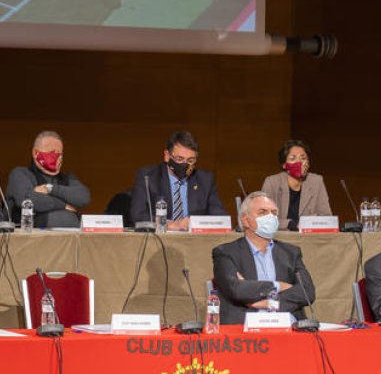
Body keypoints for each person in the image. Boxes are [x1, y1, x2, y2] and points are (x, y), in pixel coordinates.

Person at [212, 192, 316, 325]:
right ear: (245, 220)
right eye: (263, 212)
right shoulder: (225, 252)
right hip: (245, 327)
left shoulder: (291, 252)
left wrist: (270, 304)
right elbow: (236, 290)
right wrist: (278, 285)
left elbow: (307, 292)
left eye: (274, 213)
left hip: (287, 323)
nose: (270, 217)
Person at [128, 131, 228, 230]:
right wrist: (169, 224)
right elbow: (138, 215)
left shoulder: (205, 180)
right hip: (159, 239)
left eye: (190, 160)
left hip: (195, 240)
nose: (185, 164)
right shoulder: (148, 177)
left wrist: (194, 223)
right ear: (167, 155)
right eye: (179, 159)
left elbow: (220, 218)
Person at [6, 131, 90, 228]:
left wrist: (50, 189)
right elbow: (26, 199)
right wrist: (63, 205)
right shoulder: (20, 173)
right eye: (52, 152)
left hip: (68, 240)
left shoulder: (67, 177)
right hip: (29, 239)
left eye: (60, 153)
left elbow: (84, 197)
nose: (57, 156)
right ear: (35, 153)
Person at [261, 140, 332, 231]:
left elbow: (327, 217)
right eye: (292, 158)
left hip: (308, 239)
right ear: (284, 165)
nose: (299, 162)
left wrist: (314, 221)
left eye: (303, 158)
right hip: (278, 238)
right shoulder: (272, 182)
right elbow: (264, 218)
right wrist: (293, 224)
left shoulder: (316, 181)